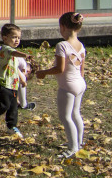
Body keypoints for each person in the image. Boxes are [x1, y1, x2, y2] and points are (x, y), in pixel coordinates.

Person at [36, 12, 87, 159]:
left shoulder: (62, 45)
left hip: (68, 86)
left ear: (62, 27)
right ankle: (79, 142)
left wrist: (43, 72)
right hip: (80, 83)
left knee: (65, 117)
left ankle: (73, 148)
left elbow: (60, 69)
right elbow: (82, 68)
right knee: (76, 114)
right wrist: (79, 82)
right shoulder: (81, 45)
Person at [0, 24, 34, 139]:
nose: (17, 40)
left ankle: (12, 127)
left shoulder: (13, 54)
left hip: (12, 84)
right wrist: (25, 55)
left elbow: (15, 69)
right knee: (4, 105)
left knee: (13, 107)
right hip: (2, 83)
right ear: (5, 38)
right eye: (14, 37)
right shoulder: (5, 49)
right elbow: (13, 52)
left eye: (19, 38)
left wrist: (22, 79)